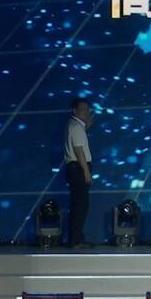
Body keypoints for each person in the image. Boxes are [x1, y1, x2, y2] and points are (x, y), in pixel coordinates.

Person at [64, 97, 94, 249]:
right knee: (80, 206)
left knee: (79, 204)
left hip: (75, 168)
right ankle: (76, 240)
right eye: (82, 110)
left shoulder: (75, 126)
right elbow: (79, 150)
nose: (86, 113)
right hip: (78, 168)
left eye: (87, 110)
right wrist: (86, 172)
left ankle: (76, 238)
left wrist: (86, 127)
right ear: (74, 111)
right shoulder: (76, 127)